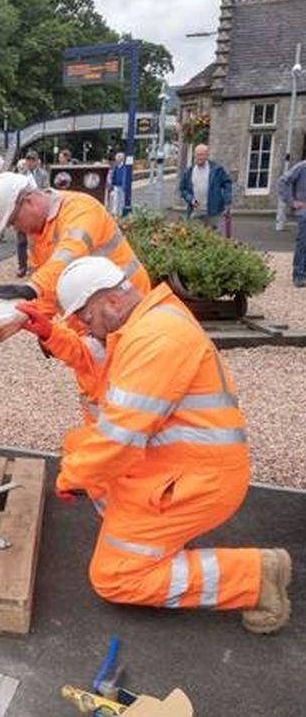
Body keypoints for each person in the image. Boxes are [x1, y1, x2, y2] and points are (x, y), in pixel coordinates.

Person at [17, 256, 291, 634]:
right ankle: (143, 534)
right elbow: (94, 365)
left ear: (111, 301)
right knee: (78, 446)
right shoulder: (140, 323)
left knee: (115, 577)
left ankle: (254, 576)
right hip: (179, 466)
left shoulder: (155, 339)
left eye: (85, 318)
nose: (83, 328)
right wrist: (52, 334)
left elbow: (118, 439)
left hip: (195, 481)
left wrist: (71, 478)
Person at [0, 171, 150, 320]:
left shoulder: (81, 208)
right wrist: (44, 320)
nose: (15, 228)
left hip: (126, 305)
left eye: (13, 221)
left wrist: (32, 287)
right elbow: (49, 285)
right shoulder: (37, 233)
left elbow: (70, 254)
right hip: (97, 314)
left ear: (30, 202)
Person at [180, 144, 232, 231]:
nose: (199, 157)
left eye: (202, 154)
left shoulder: (217, 170)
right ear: (194, 155)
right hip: (196, 211)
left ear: (207, 155)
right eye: (197, 154)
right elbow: (183, 189)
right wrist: (190, 199)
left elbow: (227, 184)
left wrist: (227, 201)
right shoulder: (189, 171)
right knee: (195, 236)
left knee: (213, 237)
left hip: (213, 211)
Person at [277, 158, 306, 287]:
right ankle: (299, 275)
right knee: (303, 243)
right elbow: (283, 181)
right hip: (304, 212)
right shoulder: (302, 167)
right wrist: (292, 202)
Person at [106, 152, 128, 218]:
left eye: (118, 158)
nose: (116, 160)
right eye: (116, 158)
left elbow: (124, 177)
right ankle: (114, 212)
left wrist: (124, 186)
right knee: (115, 199)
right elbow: (113, 176)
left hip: (122, 186)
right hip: (116, 185)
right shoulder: (116, 167)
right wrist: (112, 184)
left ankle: (120, 213)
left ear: (121, 159)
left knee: (121, 199)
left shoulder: (124, 167)